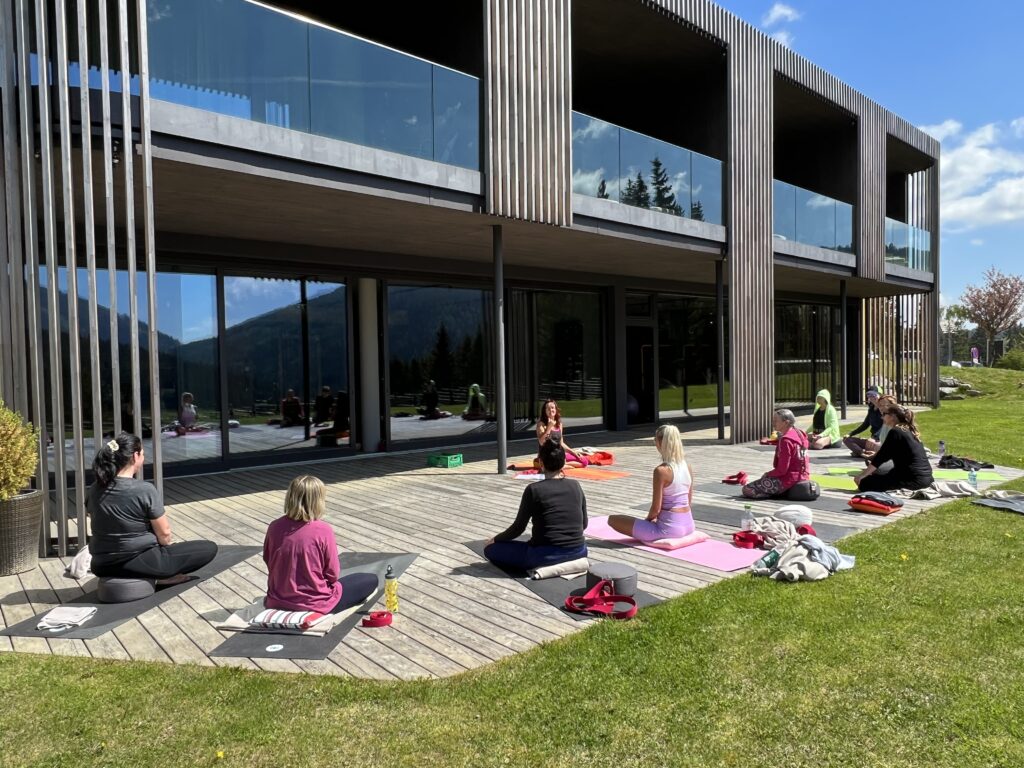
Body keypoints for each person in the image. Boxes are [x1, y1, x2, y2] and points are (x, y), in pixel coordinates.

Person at [88, 433, 218, 583]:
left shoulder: (94, 489)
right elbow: (165, 535)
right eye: (143, 454)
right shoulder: (144, 489)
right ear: (135, 456)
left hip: (100, 565)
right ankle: (160, 578)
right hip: (139, 563)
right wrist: (166, 550)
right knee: (208, 548)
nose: (143, 458)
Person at [263, 475, 377, 614]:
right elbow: (333, 574)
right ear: (318, 501)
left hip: (277, 599)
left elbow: (268, 560)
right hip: (315, 602)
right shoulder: (323, 530)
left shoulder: (274, 526)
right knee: (371, 579)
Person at [484, 439, 588, 571]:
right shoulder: (575, 485)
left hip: (544, 555)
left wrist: (495, 539)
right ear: (564, 462)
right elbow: (584, 524)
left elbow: (518, 528)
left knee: (490, 549)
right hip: (579, 551)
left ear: (541, 463)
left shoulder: (534, 489)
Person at [607, 424, 695, 541]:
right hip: (689, 525)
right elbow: (688, 501)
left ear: (660, 443)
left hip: (669, 530)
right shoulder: (687, 467)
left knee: (612, 519)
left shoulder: (661, 471)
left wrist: (647, 522)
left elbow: (656, 509)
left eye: (655, 440)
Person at [854, 404, 933, 492]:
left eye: (884, 414)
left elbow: (880, 458)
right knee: (879, 475)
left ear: (892, 416)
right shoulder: (909, 430)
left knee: (864, 483)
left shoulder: (896, 432)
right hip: (926, 479)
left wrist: (862, 476)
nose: (882, 417)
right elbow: (887, 453)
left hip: (912, 481)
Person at [742, 408, 810, 499]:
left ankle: (778, 492)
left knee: (747, 489)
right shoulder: (800, 433)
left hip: (789, 479)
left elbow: (782, 470)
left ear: (786, 422)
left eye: (775, 421)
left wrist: (767, 474)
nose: (773, 423)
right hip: (804, 476)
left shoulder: (786, 441)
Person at [536, 398, 587, 467]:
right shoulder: (541, 424)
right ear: (545, 411)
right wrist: (549, 427)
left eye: (552, 408)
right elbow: (542, 442)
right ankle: (562, 465)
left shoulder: (559, 424)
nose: (551, 410)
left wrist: (574, 452)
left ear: (556, 409)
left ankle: (564, 465)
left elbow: (561, 443)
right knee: (553, 465)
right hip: (546, 456)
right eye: (548, 408)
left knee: (584, 461)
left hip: (558, 454)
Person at [842, 386, 884, 457]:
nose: (871, 397)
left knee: (878, 446)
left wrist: (874, 437)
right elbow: (865, 425)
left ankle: (861, 452)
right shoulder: (871, 410)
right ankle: (863, 453)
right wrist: (850, 434)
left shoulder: (885, 409)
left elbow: (885, 426)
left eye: (874, 395)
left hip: (882, 440)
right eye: (869, 395)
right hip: (871, 441)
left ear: (880, 396)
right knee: (847, 439)